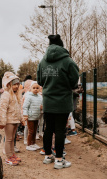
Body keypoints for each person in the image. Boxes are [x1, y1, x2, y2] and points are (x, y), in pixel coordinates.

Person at [37, 34, 79, 169]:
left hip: (48, 101)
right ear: (62, 45)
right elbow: (74, 80)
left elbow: (39, 81)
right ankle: (59, 160)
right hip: (63, 101)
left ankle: (48, 156)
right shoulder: (68, 61)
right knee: (60, 130)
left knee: (48, 129)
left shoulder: (43, 61)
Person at [0, 72, 23, 166]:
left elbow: (18, 109)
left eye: (18, 84)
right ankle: (8, 157)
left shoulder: (16, 95)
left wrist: (21, 119)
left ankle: (13, 154)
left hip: (15, 120)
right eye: (14, 84)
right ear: (9, 84)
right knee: (8, 138)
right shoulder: (6, 95)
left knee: (13, 139)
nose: (16, 86)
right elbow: (3, 109)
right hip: (9, 121)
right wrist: (3, 121)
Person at [23, 81, 42, 151]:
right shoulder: (29, 97)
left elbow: (41, 105)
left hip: (37, 116)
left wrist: (41, 109)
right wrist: (25, 114)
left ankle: (33, 143)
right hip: (30, 116)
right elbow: (25, 107)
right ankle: (29, 144)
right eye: (34, 88)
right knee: (31, 131)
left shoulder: (40, 97)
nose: (35, 89)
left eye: (37, 88)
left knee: (34, 131)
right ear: (30, 89)